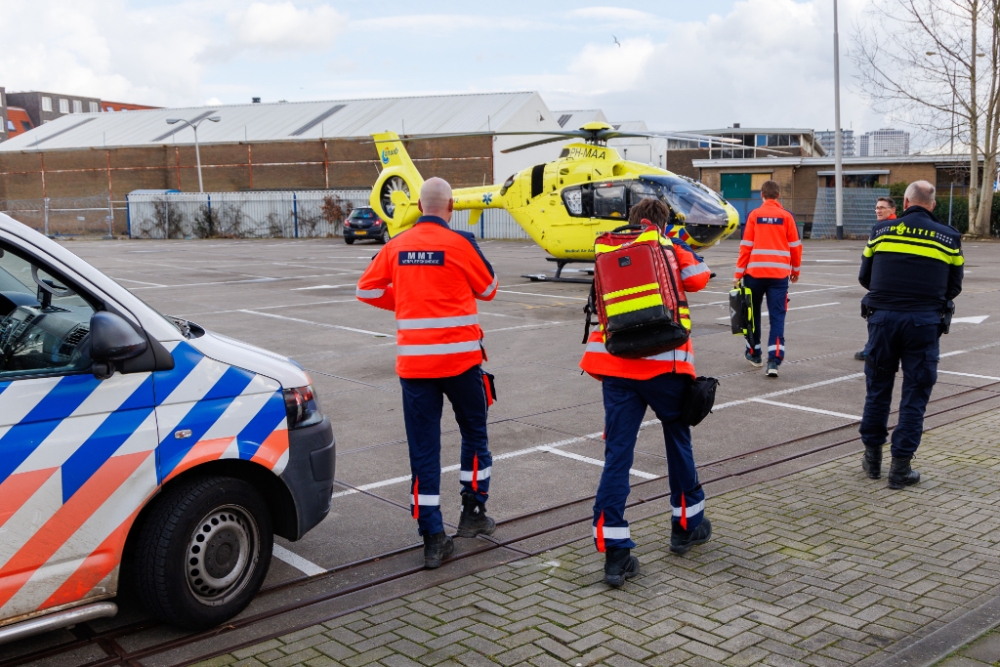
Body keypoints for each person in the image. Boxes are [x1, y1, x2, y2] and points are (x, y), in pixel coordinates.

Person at [356, 177, 499, 568]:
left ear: (419, 206)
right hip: (462, 364)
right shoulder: (461, 244)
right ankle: (473, 513)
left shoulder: (396, 245)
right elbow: (489, 290)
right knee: (474, 433)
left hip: (416, 368)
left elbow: (366, 290)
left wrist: (404, 300)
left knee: (423, 450)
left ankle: (433, 537)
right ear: (450, 206)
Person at [580, 198, 713, 588]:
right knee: (677, 440)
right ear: (664, 222)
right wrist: (673, 239)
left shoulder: (607, 247)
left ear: (631, 220)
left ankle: (615, 553)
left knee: (617, 454)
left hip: (617, 365)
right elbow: (701, 277)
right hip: (665, 364)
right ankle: (686, 525)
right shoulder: (669, 246)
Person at [858, 180, 963, 489]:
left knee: (878, 389)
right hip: (923, 324)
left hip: (882, 322)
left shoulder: (881, 232)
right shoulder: (950, 237)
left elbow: (865, 277)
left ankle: (872, 460)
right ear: (932, 205)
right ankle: (900, 469)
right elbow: (954, 287)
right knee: (915, 393)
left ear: (904, 204)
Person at [733, 180, 802, 377]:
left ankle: (754, 354)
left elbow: (745, 246)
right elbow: (796, 246)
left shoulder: (754, 215)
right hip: (779, 276)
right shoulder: (787, 216)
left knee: (751, 316)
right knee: (777, 317)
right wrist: (795, 271)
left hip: (754, 275)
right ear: (779, 195)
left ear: (761, 195)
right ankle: (774, 360)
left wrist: (738, 274)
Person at [855, 196, 897, 361]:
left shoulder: (883, 229)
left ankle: (872, 348)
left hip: (884, 283)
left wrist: (868, 282)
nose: (878, 210)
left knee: (875, 315)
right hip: (888, 281)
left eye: (882, 207)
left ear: (892, 210)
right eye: (877, 208)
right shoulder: (886, 226)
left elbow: (868, 257)